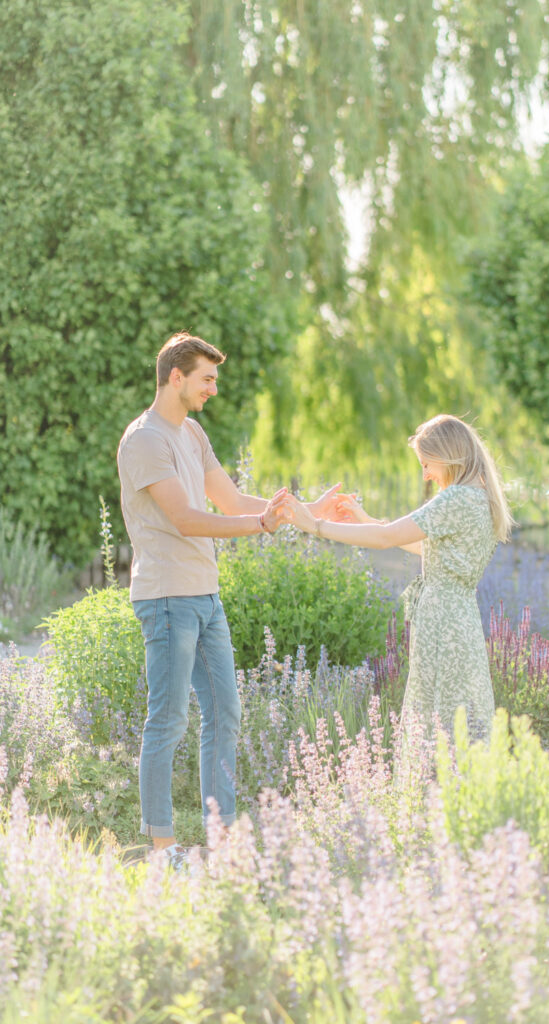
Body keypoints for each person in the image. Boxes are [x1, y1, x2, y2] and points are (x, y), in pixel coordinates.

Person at [117, 331, 348, 866]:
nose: (213, 389)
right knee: (168, 719)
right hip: (168, 598)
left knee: (225, 714)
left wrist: (303, 509)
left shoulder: (192, 434)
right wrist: (261, 525)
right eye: (207, 379)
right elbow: (187, 518)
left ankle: (221, 844)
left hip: (205, 596)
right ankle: (163, 848)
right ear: (176, 376)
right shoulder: (144, 440)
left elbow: (230, 498)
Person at [284, 414, 513, 742]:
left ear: (447, 455)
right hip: (460, 618)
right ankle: (458, 788)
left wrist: (315, 527)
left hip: (442, 621)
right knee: (457, 715)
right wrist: (365, 519)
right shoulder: (480, 497)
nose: (426, 475)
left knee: (437, 719)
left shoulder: (456, 498)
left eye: (426, 464)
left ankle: (432, 788)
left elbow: (385, 539)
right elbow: (425, 547)